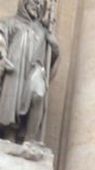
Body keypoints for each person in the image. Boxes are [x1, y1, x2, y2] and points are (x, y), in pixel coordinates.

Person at [0, 0, 60, 143]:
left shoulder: (43, 30)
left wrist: (55, 48)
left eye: (41, 4)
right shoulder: (10, 23)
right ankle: (10, 136)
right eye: (34, 2)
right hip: (14, 71)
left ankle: (30, 139)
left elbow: (51, 59)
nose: (37, 6)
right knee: (12, 102)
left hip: (35, 70)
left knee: (38, 94)